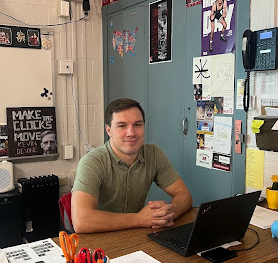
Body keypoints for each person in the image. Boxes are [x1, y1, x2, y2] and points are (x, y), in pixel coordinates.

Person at [71, 98, 192, 233]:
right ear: (109, 130)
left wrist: (169, 212)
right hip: (98, 239)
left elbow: (184, 194)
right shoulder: (92, 162)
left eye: (137, 125)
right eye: (122, 126)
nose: (131, 133)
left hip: (135, 234)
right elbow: (81, 221)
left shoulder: (153, 154)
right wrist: (140, 219)